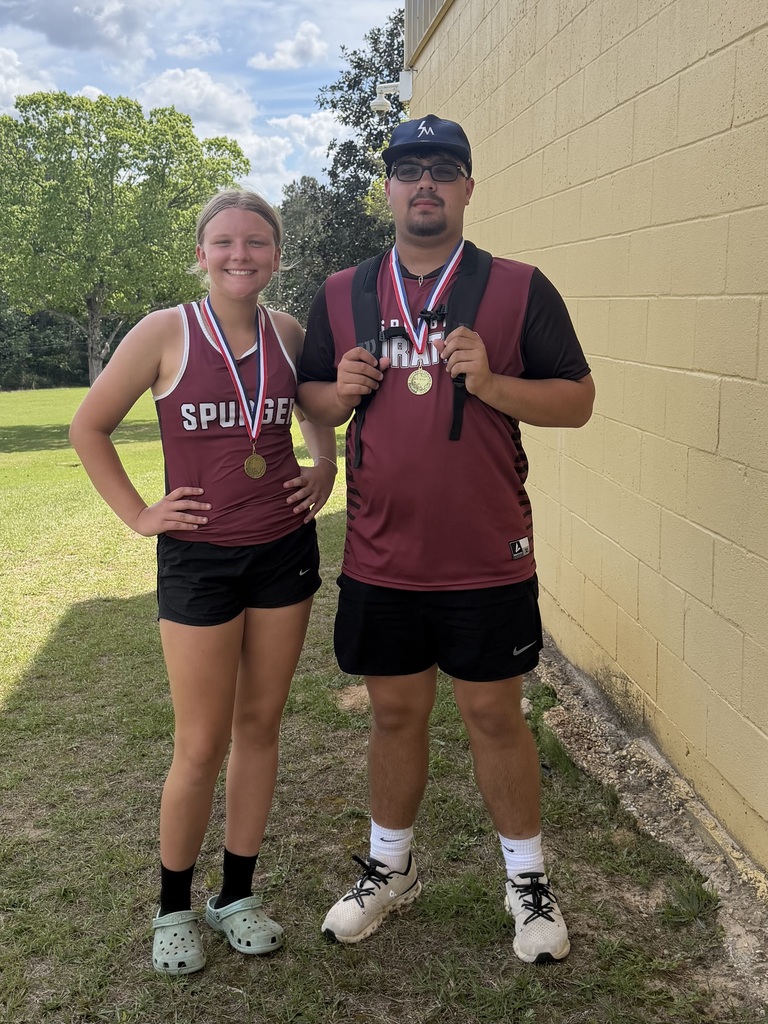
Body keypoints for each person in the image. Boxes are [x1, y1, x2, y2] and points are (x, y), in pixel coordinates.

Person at [297, 115, 595, 964]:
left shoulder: (517, 287)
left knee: (495, 714)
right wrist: (335, 391)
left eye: (443, 169)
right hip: (383, 555)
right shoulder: (342, 291)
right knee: (394, 712)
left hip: (486, 553)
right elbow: (311, 397)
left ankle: (527, 882)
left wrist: (496, 382)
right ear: (387, 188)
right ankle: (390, 868)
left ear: (468, 187)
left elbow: (577, 399)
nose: (425, 183)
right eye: (408, 169)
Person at [69, 189, 338, 975]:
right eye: (224, 242)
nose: (240, 255)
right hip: (199, 560)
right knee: (199, 741)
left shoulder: (288, 334)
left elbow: (313, 403)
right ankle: (172, 910)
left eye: (257, 242)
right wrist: (138, 514)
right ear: (202, 253)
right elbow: (90, 425)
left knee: (261, 725)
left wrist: (326, 462)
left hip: (283, 551)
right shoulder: (164, 332)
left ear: (276, 255)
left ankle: (238, 895)